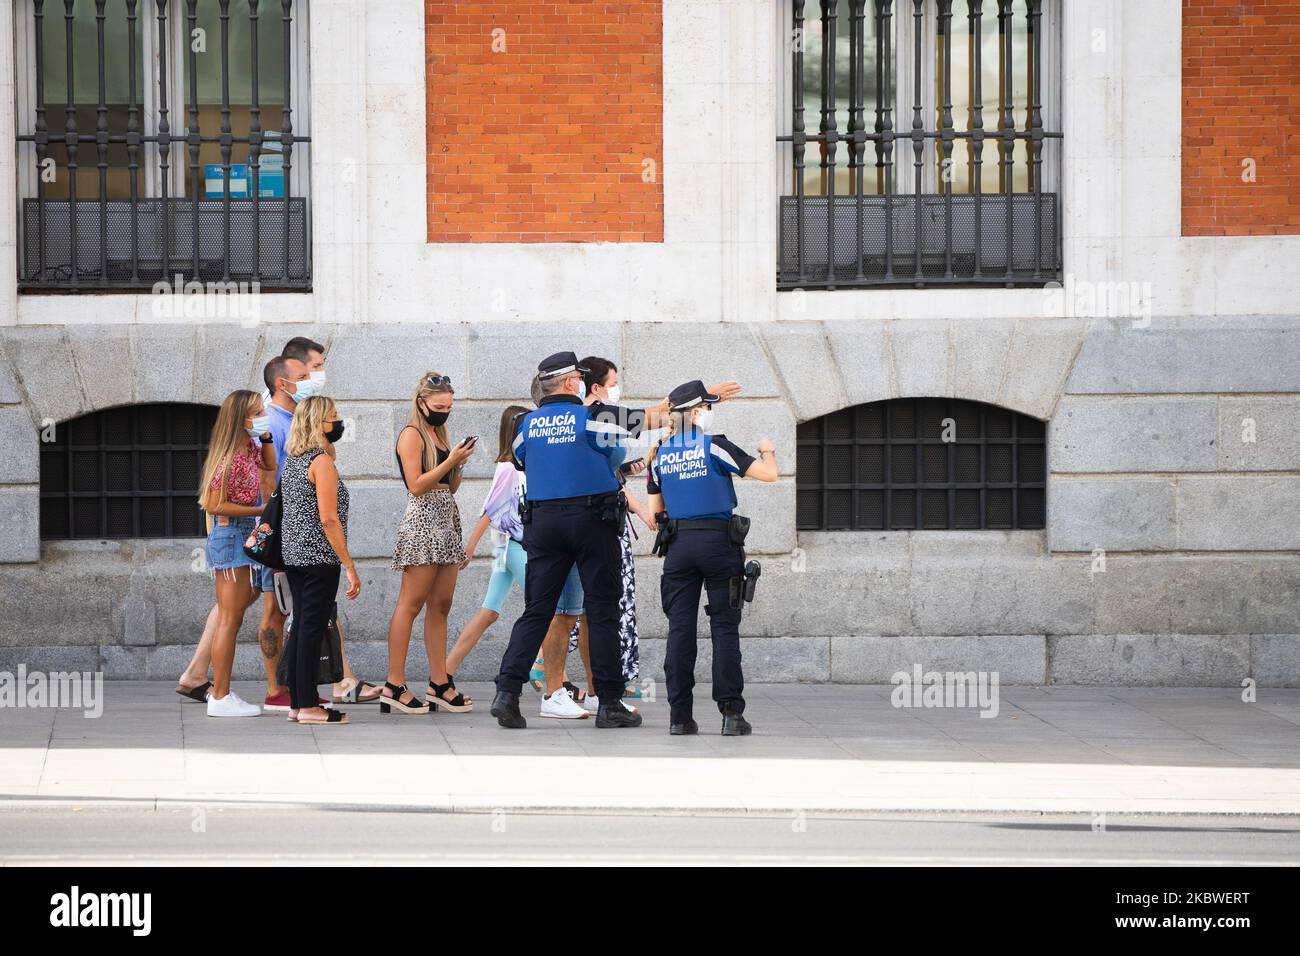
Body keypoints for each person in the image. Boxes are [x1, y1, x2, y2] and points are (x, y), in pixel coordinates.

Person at [490, 352, 644, 730]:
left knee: (537, 611)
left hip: (543, 524)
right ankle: (609, 702)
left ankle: (507, 693)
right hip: (592, 520)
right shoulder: (591, 417)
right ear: (573, 383)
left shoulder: (525, 424)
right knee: (603, 610)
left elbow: (524, 460)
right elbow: (620, 447)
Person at [646, 380, 778, 736]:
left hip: (678, 547)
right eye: (706, 406)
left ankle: (679, 717)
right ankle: (731, 715)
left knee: (680, 630)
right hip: (718, 544)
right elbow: (769, 475)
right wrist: (768, 451)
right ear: (693, 413)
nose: (708, 411)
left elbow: (655, 512)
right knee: (723, 628)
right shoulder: (715, 446)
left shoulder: (659, 454)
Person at [450, 406, 589, 720]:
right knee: (552, 613)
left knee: (489, 612)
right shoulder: (510, 468)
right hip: (514, 548)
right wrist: (469, 548)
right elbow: (489, 510)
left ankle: (443, 675)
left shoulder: (519, 466)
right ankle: (555, 679)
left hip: (507, 549)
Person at [380, 372, 477, 716]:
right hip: (422, 522)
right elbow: (415, 486)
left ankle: (439, 682)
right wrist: (449, 461)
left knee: (441, 605)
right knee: (411, 602)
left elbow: (448, 488)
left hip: (445, 520)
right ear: (421, 403)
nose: (445, 411)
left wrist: (458, 466)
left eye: (449, 406)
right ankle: (394, 683)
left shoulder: (439, 433)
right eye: (439, 406)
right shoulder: (411, 435)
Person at [279, 395, 360, 726]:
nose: (339, 420)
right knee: (311, 628)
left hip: (295, 555)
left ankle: (299, 703)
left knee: (302, 626)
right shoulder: (320, 463)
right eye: (334, 416)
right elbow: (329, 519)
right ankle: (309, 705)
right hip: (319, 557)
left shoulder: (295, 460)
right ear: (318, 423)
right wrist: (350, 566)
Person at [197, 389, 278, 717]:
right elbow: (212, 504)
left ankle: (223, 692)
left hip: (243, 534)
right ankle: (220, 695)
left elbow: (270, 464)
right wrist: (259, 508)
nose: (263, 416)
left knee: (236, 615)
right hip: (230, 534)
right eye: (258, 413)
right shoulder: (228, 458)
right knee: (229, 620)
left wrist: (267, 435)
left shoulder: (250, 447)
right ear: (241, 419)